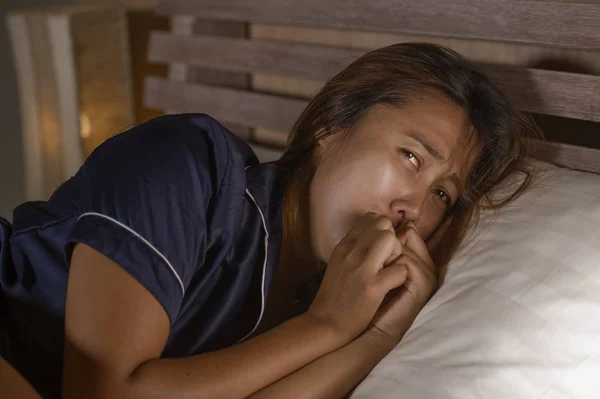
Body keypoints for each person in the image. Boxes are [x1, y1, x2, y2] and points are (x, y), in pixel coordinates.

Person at [0, 43, 540, 398]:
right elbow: (104, 395)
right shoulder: (185, 164)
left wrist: (378, 333)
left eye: (442, 194)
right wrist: (328, 325)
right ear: (331, 126)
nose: (415, 209)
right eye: (411, 157)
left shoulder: (326, 296)